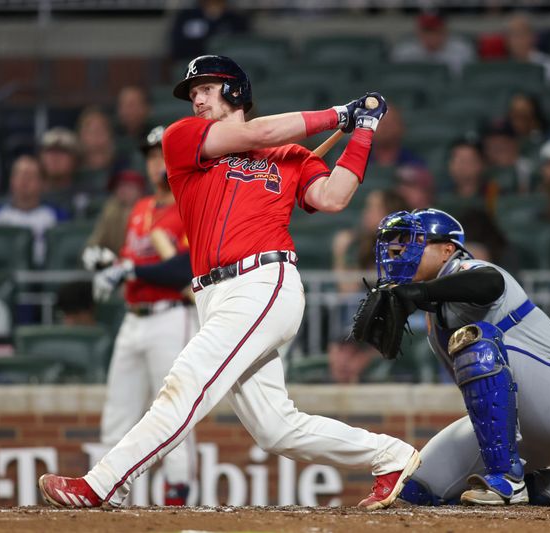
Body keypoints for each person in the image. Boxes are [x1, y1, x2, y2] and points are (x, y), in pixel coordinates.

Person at [40, 54, 420, 510]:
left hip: (263, 280)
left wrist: (362, 131)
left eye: (206, 87)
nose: (197, 97)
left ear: (236, 91)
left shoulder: (292, 156)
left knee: (185, 380)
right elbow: (257, 133)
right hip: (212, 292)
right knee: (276, 427)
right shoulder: (183, 138)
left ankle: (103, 483)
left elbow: (333, 196)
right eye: (193, 91)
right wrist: (339, 115)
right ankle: (390, 456)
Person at [370, 209, 550, 507]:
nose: (402, 255)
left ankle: (510, 480)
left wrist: (420, 292)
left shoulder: (467, 269)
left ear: (447, 250)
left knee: (477, 342)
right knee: (414, 490)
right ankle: (541, 484)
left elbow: (490, 283)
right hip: (523, 423)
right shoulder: (434, 319)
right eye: (398, 247)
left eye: (413, 243)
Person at [80, 125, 199, 506]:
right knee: (118, 410)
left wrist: (130, 270)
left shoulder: (190, 202)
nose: (154, 164)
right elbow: (137, 261)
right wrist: (109, 263)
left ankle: (177, 497)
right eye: (150, 157)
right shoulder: (141, 209)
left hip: (171, 315)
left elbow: (185, 268)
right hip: (133, 317)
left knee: (175, 408)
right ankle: (103, 491)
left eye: (161, 156)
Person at [0, 155, 70, 266]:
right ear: (11, 181)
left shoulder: (57, 215)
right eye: (19, 175)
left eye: (30, 176)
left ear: (42, 183)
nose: (24, 181)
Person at [332, 189, 406, 293]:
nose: (366, 213)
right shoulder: (363, 244)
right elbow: (348, 292)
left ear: (390, 214)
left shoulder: (404, 247)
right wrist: (340, 252)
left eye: (372, 208)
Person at [391, 12, 476, 77]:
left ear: (445, 31)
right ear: (418, 33)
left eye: (435, 31)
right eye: (427, 31)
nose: (431, 37)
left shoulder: (461, 51)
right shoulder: (404, 53)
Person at [86, 170, 147, 255]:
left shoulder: (149, 209)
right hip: (115, 260)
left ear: (140, 191)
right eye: (120, 186)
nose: (124, 191)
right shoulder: (111, 210)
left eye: (129, 187)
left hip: (141, 259)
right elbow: (96, 240)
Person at [169, 0, 249, 61]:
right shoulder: (187, 16)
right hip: (193, 63)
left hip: (227, 65)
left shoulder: (236, 19)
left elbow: (244, 47)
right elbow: (177, 45)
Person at [505, 14, 550, 85]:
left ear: (532, 37)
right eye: (513, 35)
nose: (517, 41)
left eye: (521, 34)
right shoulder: (504, 66)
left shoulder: (547, 64)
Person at [76, 106, 118, 191]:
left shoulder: (122, 169)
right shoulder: (72, 172)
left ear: (110, 135)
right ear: (81, 136)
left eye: (101, 130)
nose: (96, 136)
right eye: (91, 131)